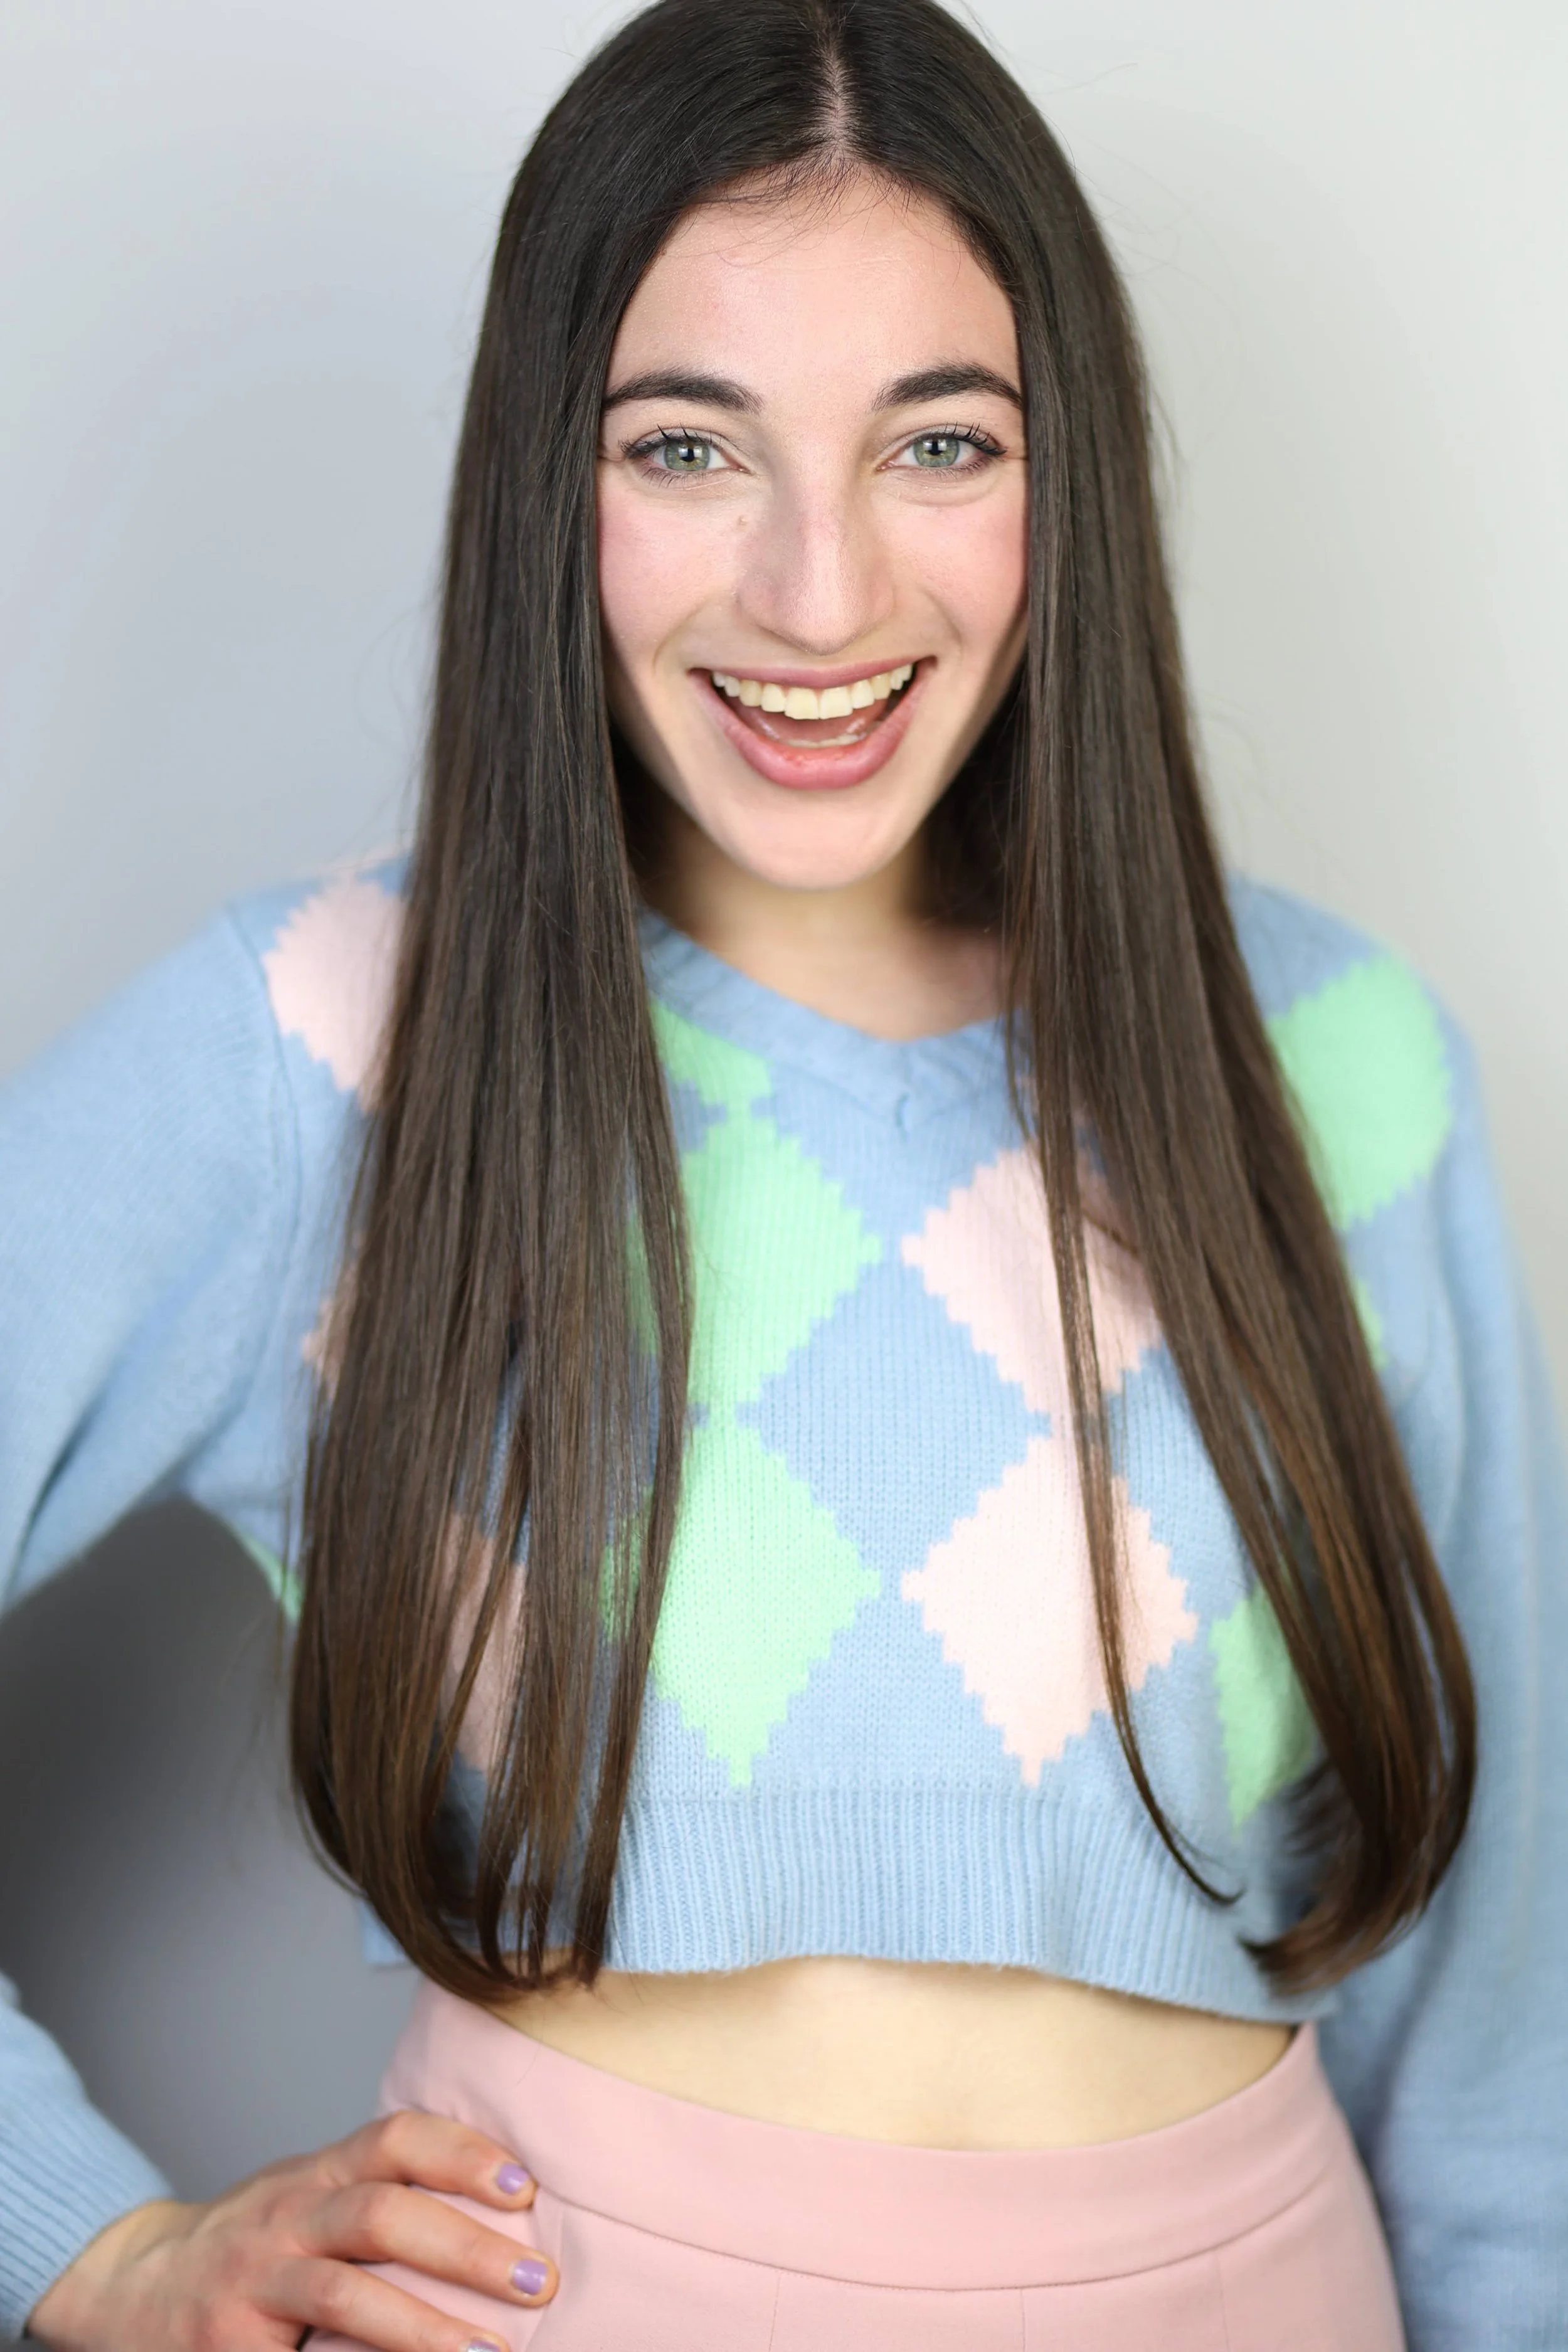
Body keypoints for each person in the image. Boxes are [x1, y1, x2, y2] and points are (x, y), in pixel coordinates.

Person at [3, 0, 1564, 2343]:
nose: (819, 597)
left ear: (1064, 475)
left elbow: (1503, 2032)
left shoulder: (1342, 1065)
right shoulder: (317, 1048)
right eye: (687, 447)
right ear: (547, 481)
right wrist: (91, 2246)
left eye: (939, 441)